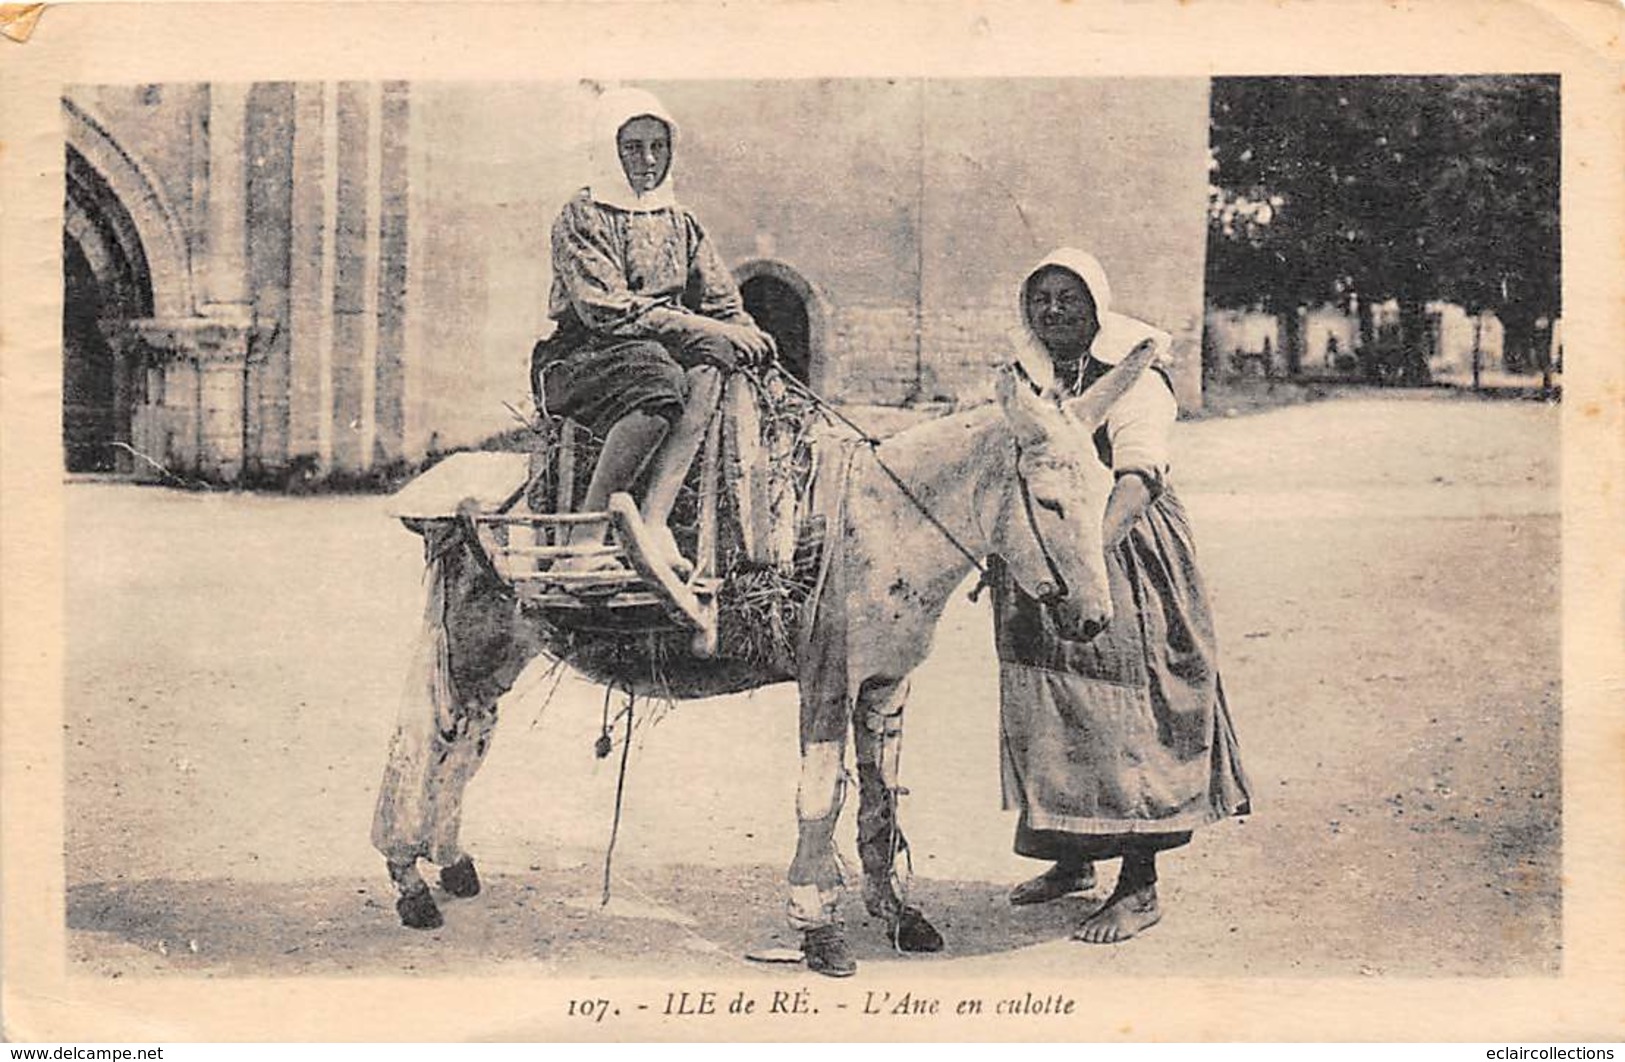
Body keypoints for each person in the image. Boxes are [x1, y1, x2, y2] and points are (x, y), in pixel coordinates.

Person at [995, 248, 1252, 943]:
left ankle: (1139, 886)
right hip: (1044, 555)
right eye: (1041, 297)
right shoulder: (1026, 379)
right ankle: (1070, 857)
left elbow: (1138, 478)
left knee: (1128, 707)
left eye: (1067, 299)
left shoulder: (1137, 378)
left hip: (1124, 550)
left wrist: (1091, 557)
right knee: (1050, 703)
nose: (1052, 311)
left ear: (1096, 308)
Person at [531, 86, 775, 574]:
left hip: (655, 349)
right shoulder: (582, 215)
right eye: (633, 147)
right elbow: (607, 310)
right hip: (584, 355)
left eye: (658, 147)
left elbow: (722, 302)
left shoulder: (680, 221)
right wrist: (704, 325)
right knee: (659, 379)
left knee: (712, 362)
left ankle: (654, 520)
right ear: (608, 149)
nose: (647, 160)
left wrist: (749, 338)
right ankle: (585, 540)